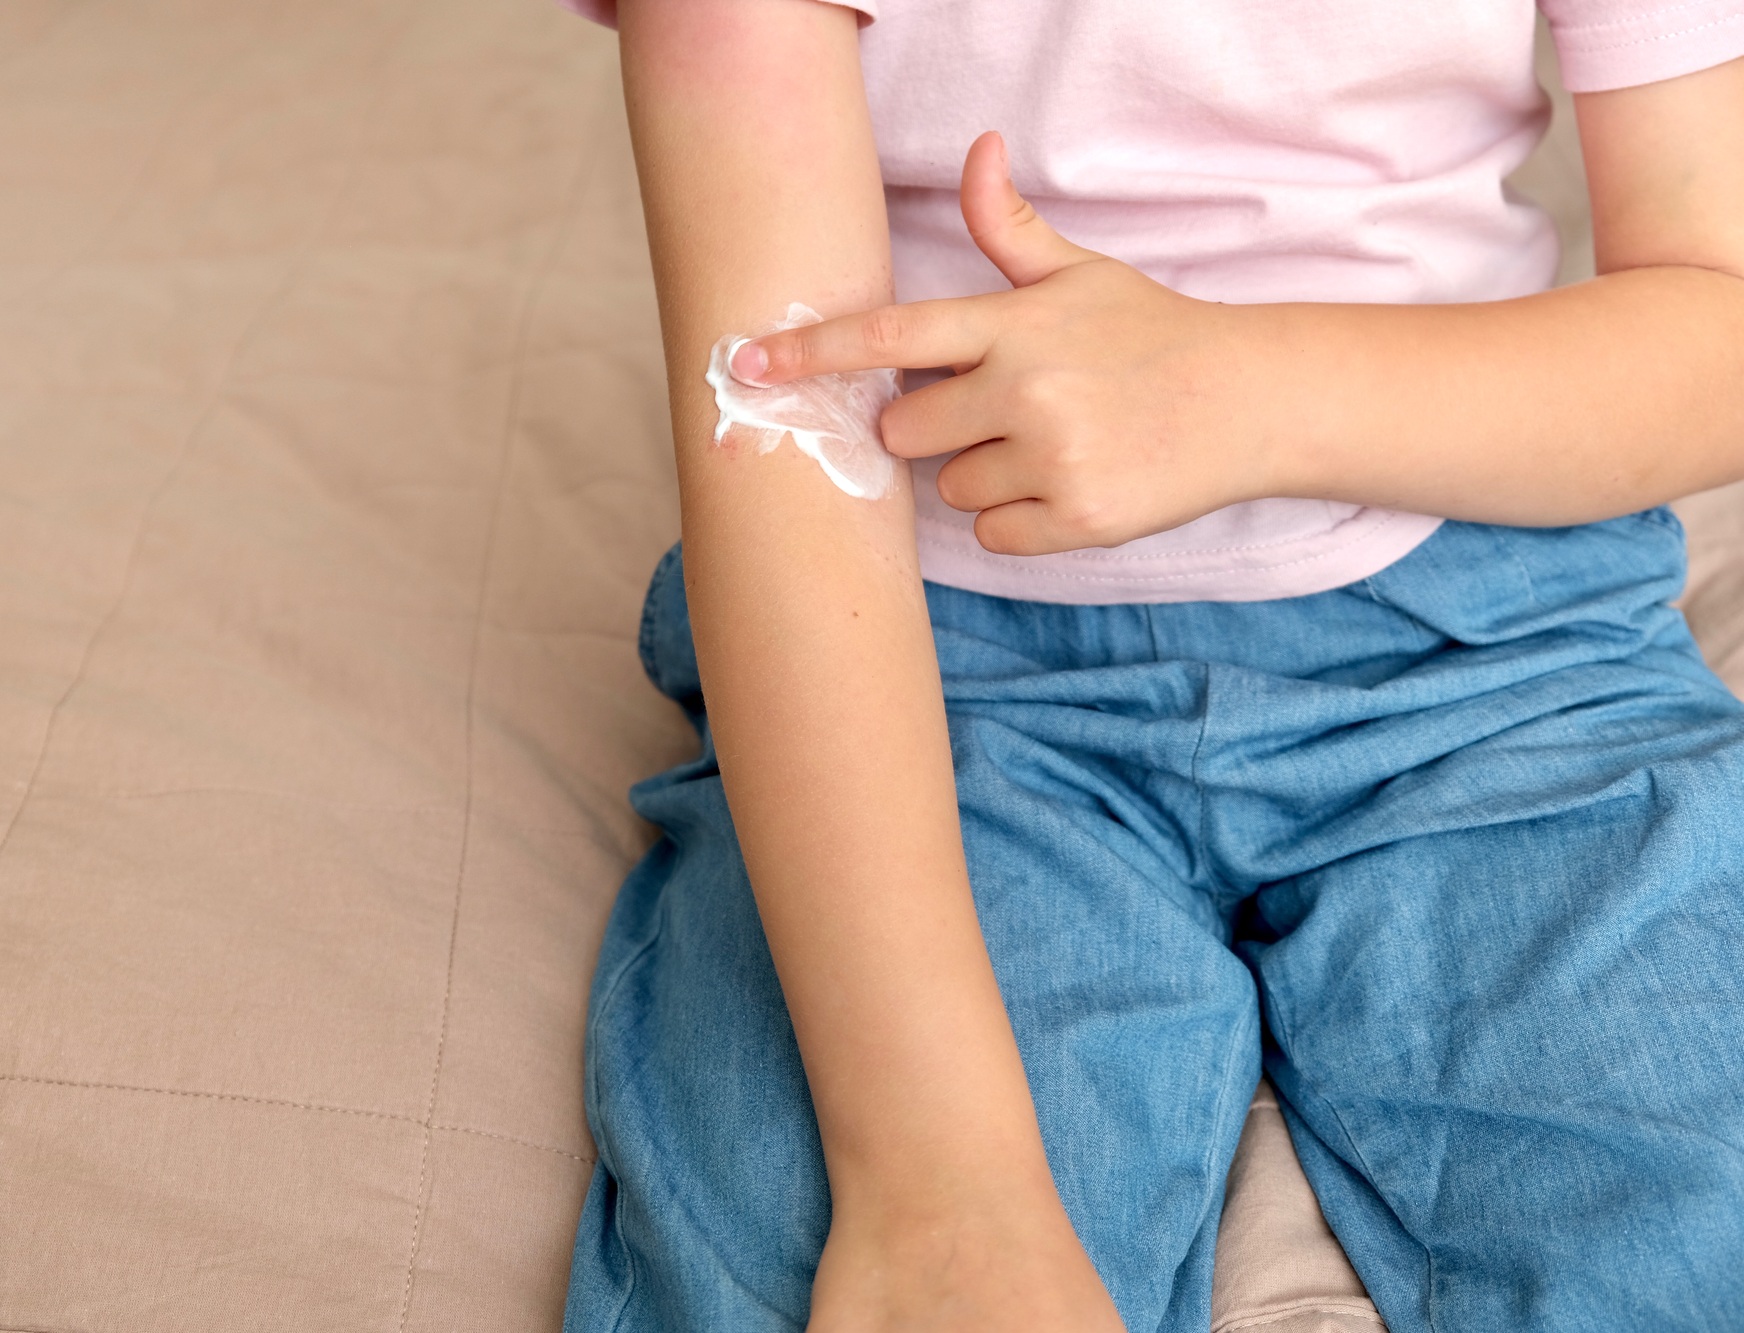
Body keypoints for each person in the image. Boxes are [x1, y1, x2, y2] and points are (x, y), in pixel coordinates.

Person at [555, 0, 1744, 1328]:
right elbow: (779, 413)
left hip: (1497, 639)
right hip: (922, 663)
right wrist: (943, 1190)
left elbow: (1720, 320)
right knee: (811, 1253)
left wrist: (1238, 390)